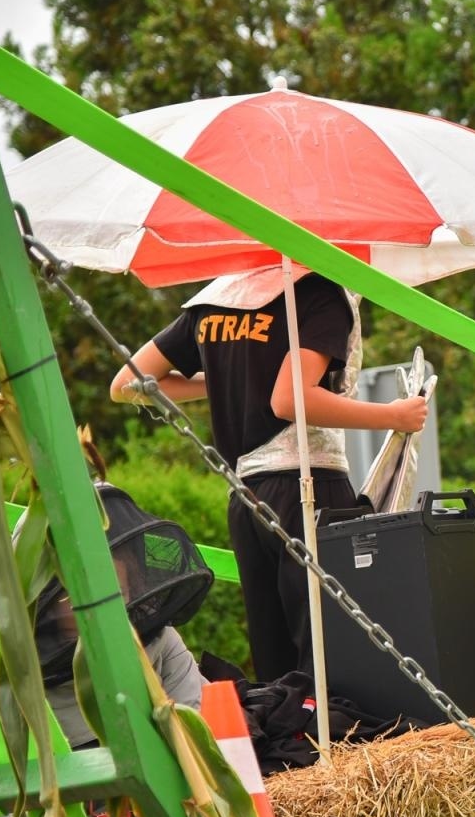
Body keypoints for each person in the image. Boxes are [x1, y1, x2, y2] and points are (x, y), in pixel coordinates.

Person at [112, 267, 427, 682]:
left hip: (246, 499)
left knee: (275, 662)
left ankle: (291, 745)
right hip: (309, 487)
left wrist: (228, 380)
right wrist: (393, 415)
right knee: (335, 653)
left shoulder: (215, 298)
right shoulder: (320, 291)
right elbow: (288, 399)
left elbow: (125, 384)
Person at [0, 482, 211, 817]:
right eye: (77, 595)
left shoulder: (164, 649)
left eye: (110, 588)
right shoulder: (8, 688)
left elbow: (203, 747)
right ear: (42, 599)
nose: (95, 606)